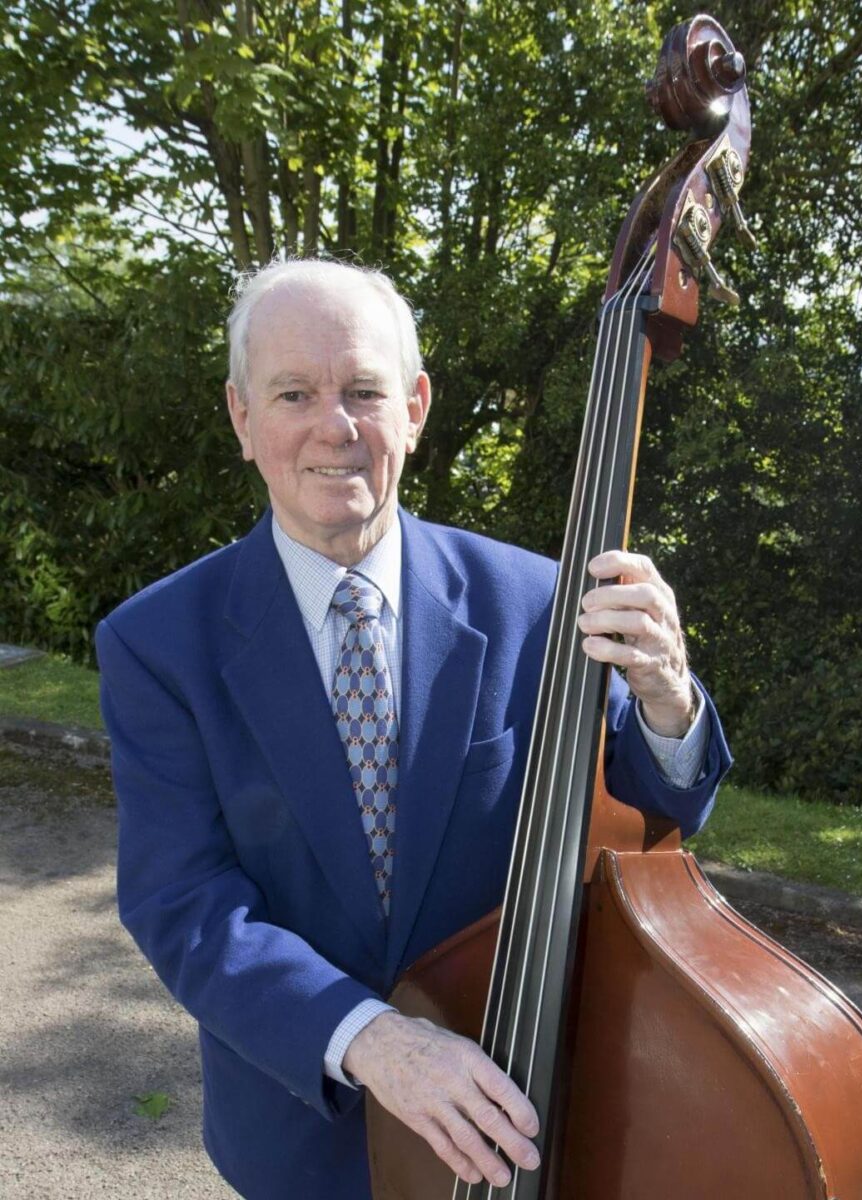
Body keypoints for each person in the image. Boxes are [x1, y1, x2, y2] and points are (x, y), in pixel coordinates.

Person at [96, 259, 732, 1200]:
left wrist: (668, 702)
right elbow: (182, 902)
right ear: (240, 417)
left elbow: (646, 820)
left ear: (416, 406)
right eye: (292, 394)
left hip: (523, 1102)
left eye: (363, 390)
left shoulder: (541, 600)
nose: (333, 427)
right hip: (302, 1136)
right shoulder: (156, 642)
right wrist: (369, 1038)